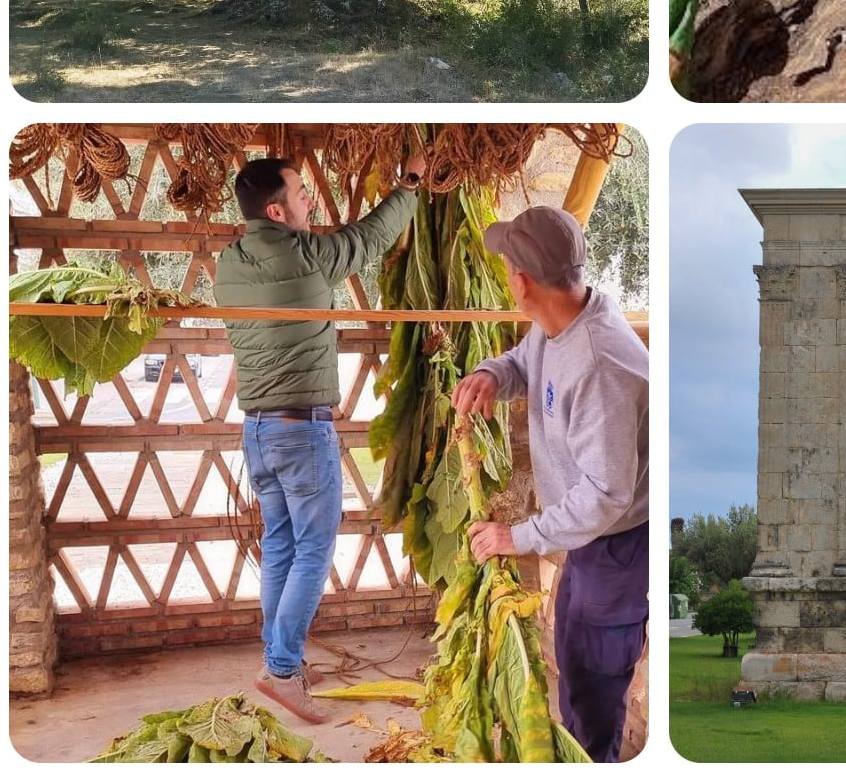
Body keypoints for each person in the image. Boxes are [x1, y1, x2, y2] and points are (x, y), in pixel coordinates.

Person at [216, 146, 427, 725]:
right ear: (278, 212)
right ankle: (283, 671)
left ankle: (276, 663)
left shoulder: (228, 263)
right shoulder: (308, 258)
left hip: (257, 432)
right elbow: (370, 236)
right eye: (301, 193)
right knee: (313, 549)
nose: (310, 201)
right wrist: (410, 183)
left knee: (282, 544)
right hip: (302, 431)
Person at [451, 205, 647, 763]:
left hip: (616, 543)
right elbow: (525, 360)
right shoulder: (559, 323)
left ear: (520, 281)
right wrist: (493, 374)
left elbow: (606, 495)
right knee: (577, 666)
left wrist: (518, 537)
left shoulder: (602, 366)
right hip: (590, 541)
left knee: (593, 684)